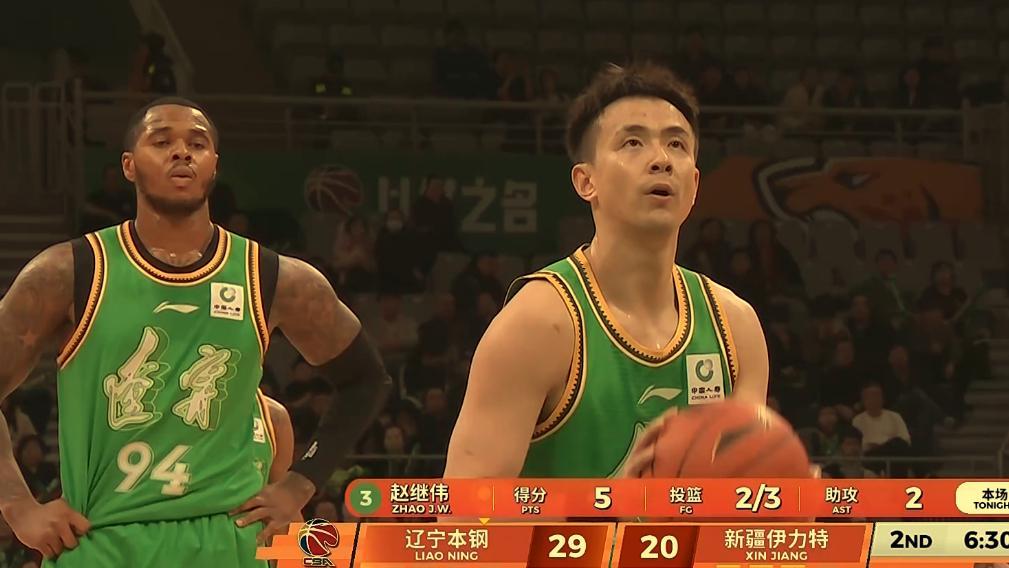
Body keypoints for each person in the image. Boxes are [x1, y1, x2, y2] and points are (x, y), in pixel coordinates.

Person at [0, 98, 390, 565]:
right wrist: (18, 507)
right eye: (161, 141)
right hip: (104, 540)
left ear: (214, 165)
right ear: (128, 165)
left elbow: (366, 380)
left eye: (197, 144)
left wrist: (298, 485)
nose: (182, 152)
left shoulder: (274, 278)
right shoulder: (68, 272)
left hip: (227, 542)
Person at [444, 63, 770, 479]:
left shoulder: (736, 328)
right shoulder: (538, 324)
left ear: (694, 185)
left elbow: (741, 497)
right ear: (586, 181)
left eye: (676, 144)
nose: (661, 160)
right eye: (633, 142)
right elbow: (466, 509)